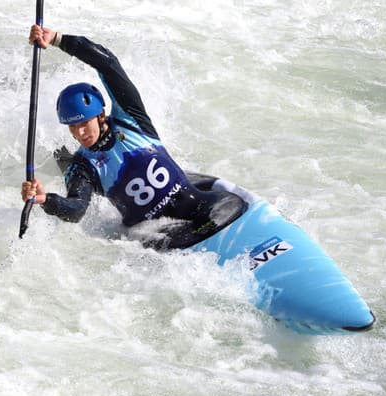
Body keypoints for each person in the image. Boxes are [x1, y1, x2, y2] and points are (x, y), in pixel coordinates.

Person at [22, 25, 245, 249]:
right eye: (72, 127)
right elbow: (76, 209)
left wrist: (58, 39)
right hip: (156, 233)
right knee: (67, 162)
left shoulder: (131, 119)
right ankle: (60, 156)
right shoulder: (83, 167)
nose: (79, 133)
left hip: (197, 205)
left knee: (231, 204)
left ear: (100, 115)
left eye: (83, 123)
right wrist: (45, 199)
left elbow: (108, 65)